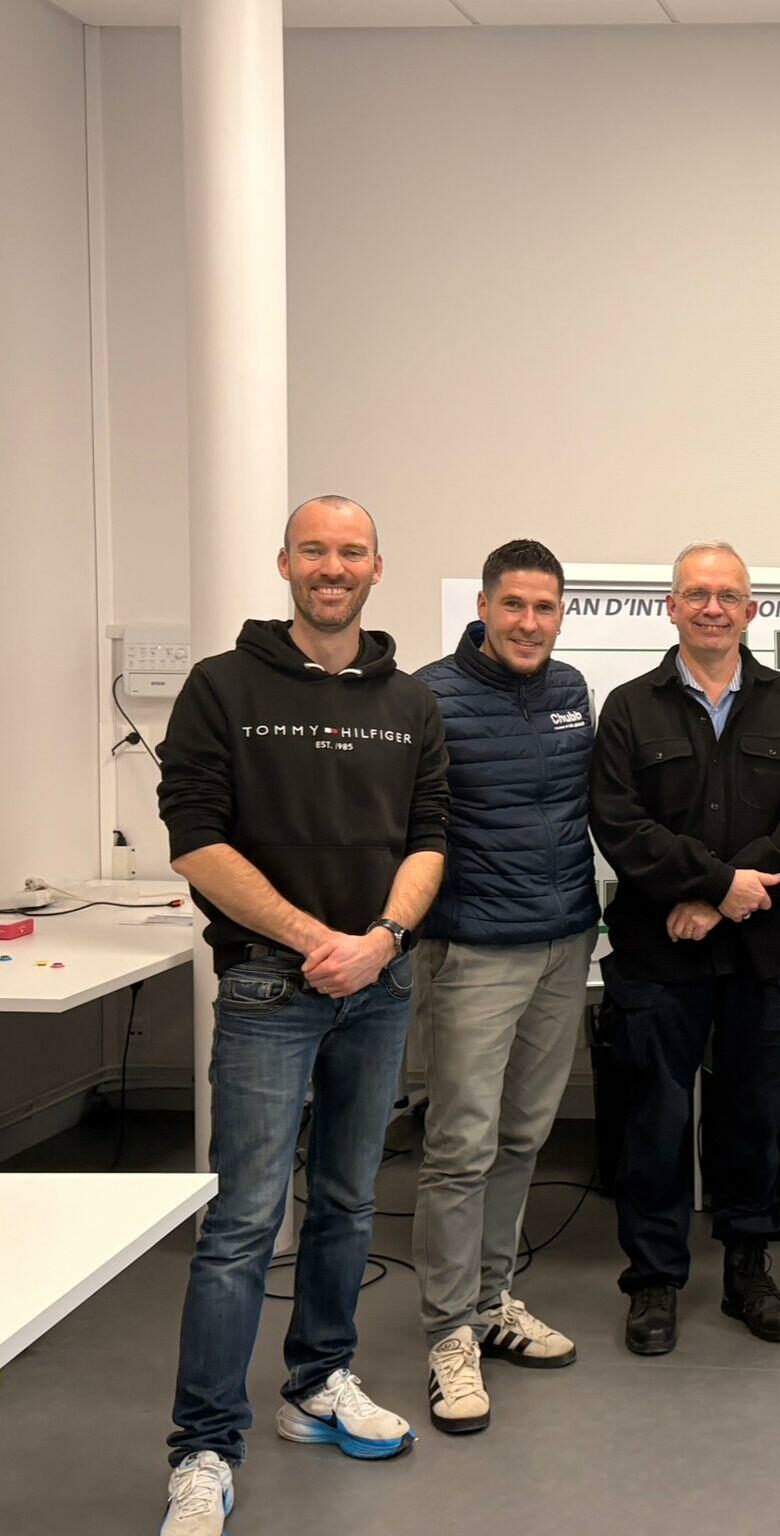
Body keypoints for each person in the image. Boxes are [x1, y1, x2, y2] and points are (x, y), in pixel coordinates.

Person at [157, 496, 447, 1536]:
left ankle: (317, 1384)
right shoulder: (222, 687)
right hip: (266, 994)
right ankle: (202, 1447)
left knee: (349, 1205)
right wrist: (308, 938)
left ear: (378, 566)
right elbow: (194, 838)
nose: (333, 566)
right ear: (285, 561)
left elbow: (429, 837)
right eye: (315, 549)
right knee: (240, 1227)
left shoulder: (410, 702)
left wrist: (379, 941)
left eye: (351, 551)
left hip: (378, 987)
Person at [588, 541, 780, 1354]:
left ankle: (748, 1275)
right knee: (652, 1126)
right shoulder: (629, 707)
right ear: (673, 606)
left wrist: (724, 901)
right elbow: (620, 825)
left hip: (758, 958)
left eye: (728, 595)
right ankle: (654, 1284)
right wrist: (708, 887)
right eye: (697, 594)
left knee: (754, 1121)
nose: (713, 608)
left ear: (750, 609)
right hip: (658, 957)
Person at [409, 539, 599, 1434]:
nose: (530, 623)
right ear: (483, 607)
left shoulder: (570, 692)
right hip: (476, 951)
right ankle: (447, 1333)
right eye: (514, 605)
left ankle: (491, 1301)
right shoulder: (430, 697)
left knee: (524, 1135)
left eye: (546, 607)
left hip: (566, 943)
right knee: (461, 1146)